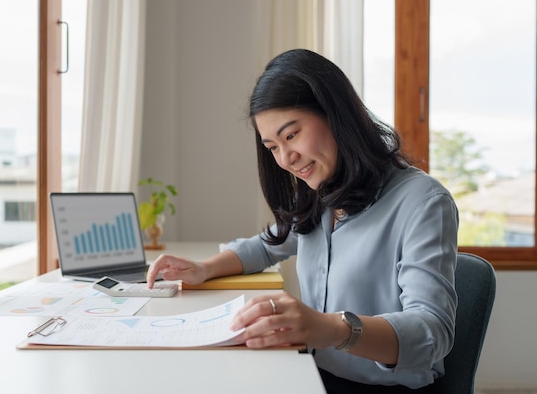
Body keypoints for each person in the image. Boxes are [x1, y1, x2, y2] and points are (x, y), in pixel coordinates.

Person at [146, 49, 458, 393]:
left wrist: (333, 328)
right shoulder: (321, 193)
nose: (286, 158)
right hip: (314, 375)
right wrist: (204, 268)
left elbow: (433, 333)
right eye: (272, 147)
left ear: (336, 114)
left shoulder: (422, 201)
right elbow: (266, 246)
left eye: (291, 135)